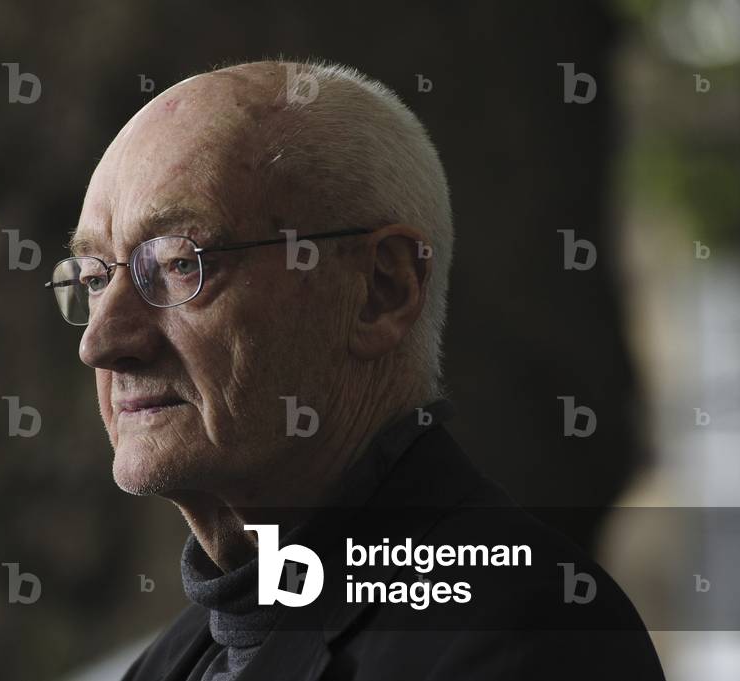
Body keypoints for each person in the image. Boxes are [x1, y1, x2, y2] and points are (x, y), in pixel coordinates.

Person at [47, 60, 665, 681]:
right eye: (96, 278)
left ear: (381, 291)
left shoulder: (529, 638)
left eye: (180, 263)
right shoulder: (173, 661)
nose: (101, 343)